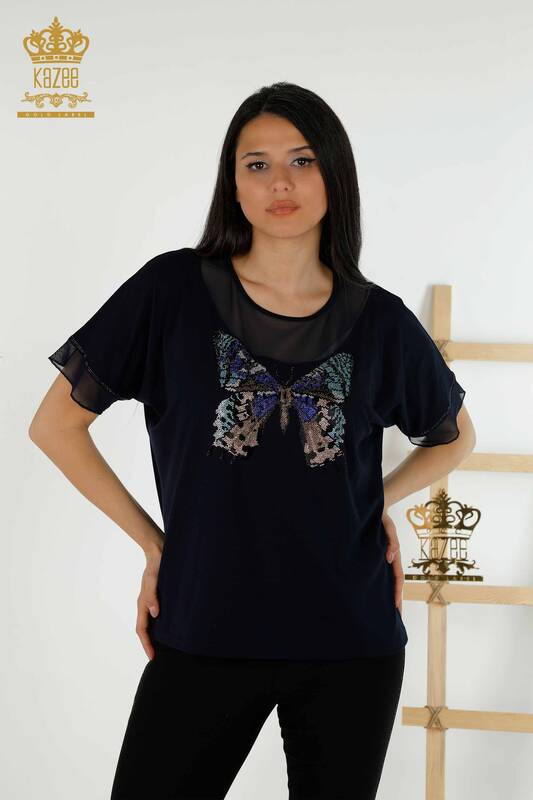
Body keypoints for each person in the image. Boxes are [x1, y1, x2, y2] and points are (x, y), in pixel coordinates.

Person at [29, 81, 476, 800]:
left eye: (301, 160)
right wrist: (154, 545)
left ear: (334, 173)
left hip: (349, 640)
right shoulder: (170, 292)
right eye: (256, 164)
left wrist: (375, 502)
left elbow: (454, 437)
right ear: (231, 184)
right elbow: (55, 425)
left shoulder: (382, 322)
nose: (280, 183)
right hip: (203, 625)